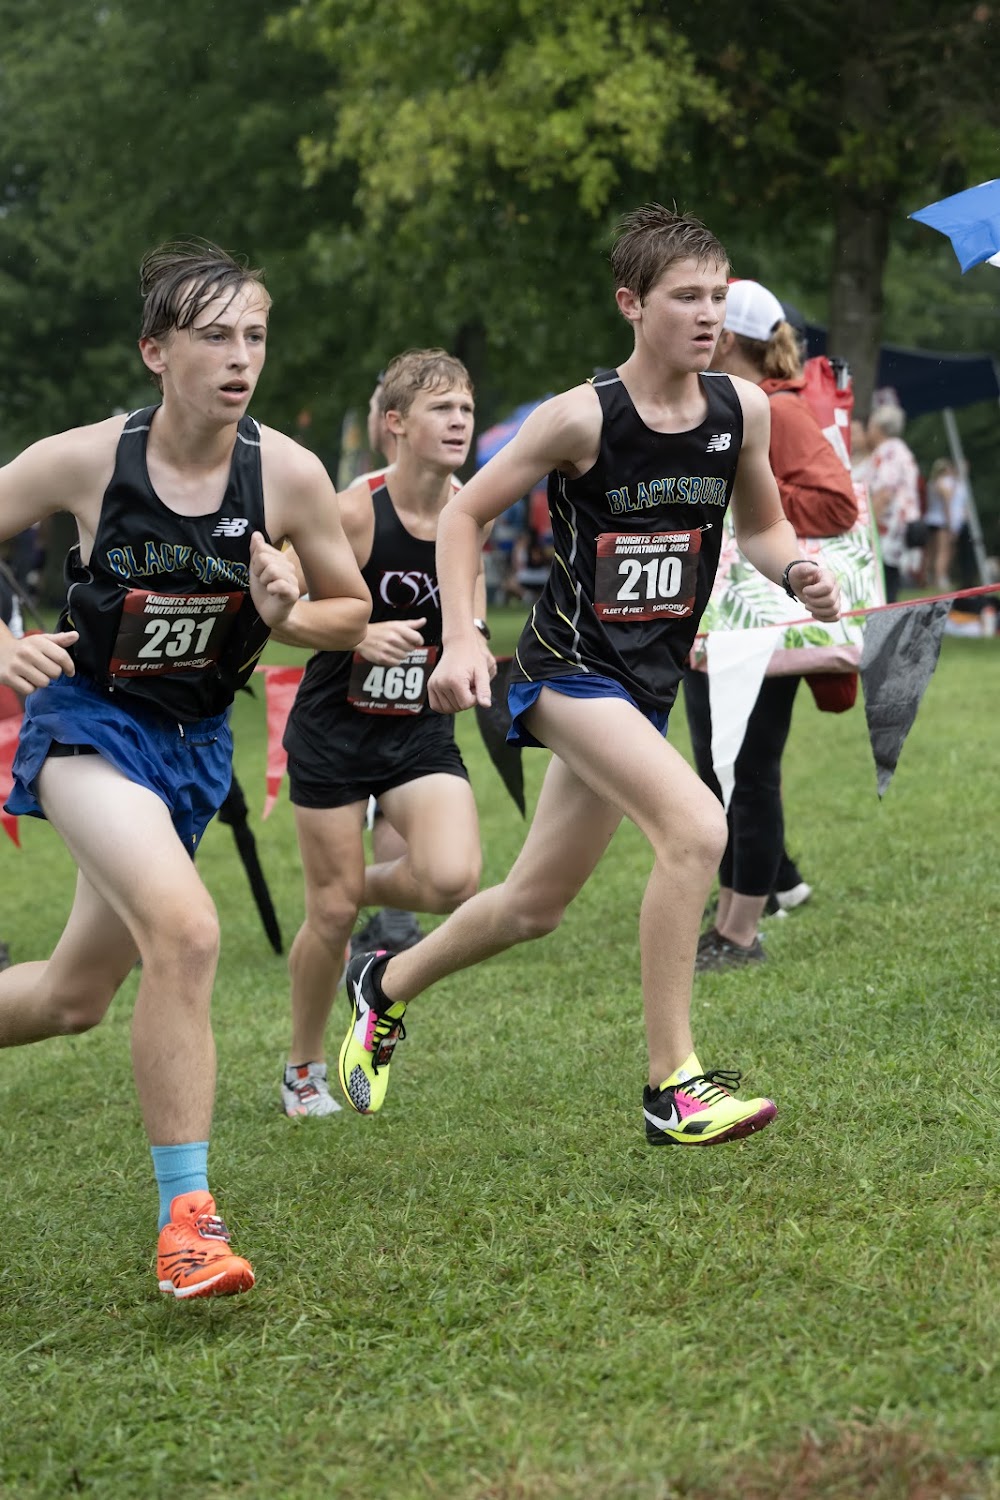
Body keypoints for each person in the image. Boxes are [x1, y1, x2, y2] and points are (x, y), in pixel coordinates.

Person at [338, 204, 840, 1144]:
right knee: (697, 827)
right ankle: (672, 1086)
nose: (707, 314)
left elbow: (765, 526)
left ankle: (384, 983)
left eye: (717, 297)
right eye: (684, 297)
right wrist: (462, 638)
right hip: (567, 672)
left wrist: (796, 571)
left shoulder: (743, 410)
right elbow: (464, 516)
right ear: (631, 304)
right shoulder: (580, 416)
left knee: (533, 906)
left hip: (644, 687)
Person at [0, 239, 370, 1298]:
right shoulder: (85, 460)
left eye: (254, 334)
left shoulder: (288, 472)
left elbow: (350, 613)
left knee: (73, 996)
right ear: (155, 353)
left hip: (195, 750)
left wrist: (286, 611)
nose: (240, 356)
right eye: (214, 336)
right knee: (189, 930)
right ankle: (188, 1226)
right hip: (89, 727)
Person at [280, 349, 493, 1118]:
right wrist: (355, 634)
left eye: (466, 408)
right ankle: (302, 1068)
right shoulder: (352, 512)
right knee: (333, 917)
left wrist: (470, 651)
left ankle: (340, 891)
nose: (460, 421)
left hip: (418, 726)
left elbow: (470, 602)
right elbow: (277, 613)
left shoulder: (473, 509)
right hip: (334, 729)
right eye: (442, 408)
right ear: (396, 423)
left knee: (453, 878)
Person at [681, 279, 858, 970]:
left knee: (748, 772)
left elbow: (838, 505)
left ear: (728, 337)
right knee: (719, 770)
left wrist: (749, 493)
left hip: (766, 619)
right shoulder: (728, 408)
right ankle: (738, 906)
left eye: (710, 314)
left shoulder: (776, 412)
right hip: (723, 620)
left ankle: (740, 933)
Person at [866, 402, 920, 604]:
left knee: (884, 583)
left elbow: (884, 492)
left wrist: (868, 528)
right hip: (899, 528)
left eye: (870, 425)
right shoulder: (900, 450)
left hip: (888, 529)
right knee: (890, 579)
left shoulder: (889, 452)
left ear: (878, 427)